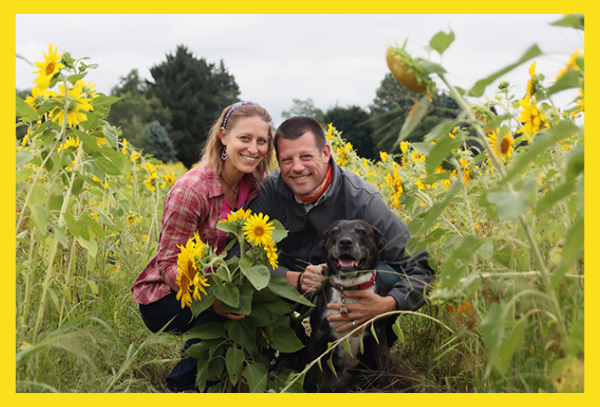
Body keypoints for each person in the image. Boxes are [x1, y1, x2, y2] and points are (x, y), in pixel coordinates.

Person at [248, 116, 435, 376]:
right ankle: (289, 355)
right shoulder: (267, 192)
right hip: (293, 288)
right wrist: (293, 278)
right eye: (287, 160)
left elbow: (421, 266)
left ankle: (372, 347)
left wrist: (389, 303)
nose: (297, 168)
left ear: (325, 153)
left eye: (306, 156)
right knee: (251, 283)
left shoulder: (363, 199)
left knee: (389, 276)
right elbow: (242, 256)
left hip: (358, 285)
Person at [131, 101, 275, 392]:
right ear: (224, 137)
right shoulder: (192, 190)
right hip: (166, 294)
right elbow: (168, 263)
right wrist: (212, 298)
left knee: (260, 304)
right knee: (224, 311)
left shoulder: (256, 184)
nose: (254, 149)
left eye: (262, 141)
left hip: (219, 282)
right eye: (244, 138)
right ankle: (181, 387)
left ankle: (240, 378)